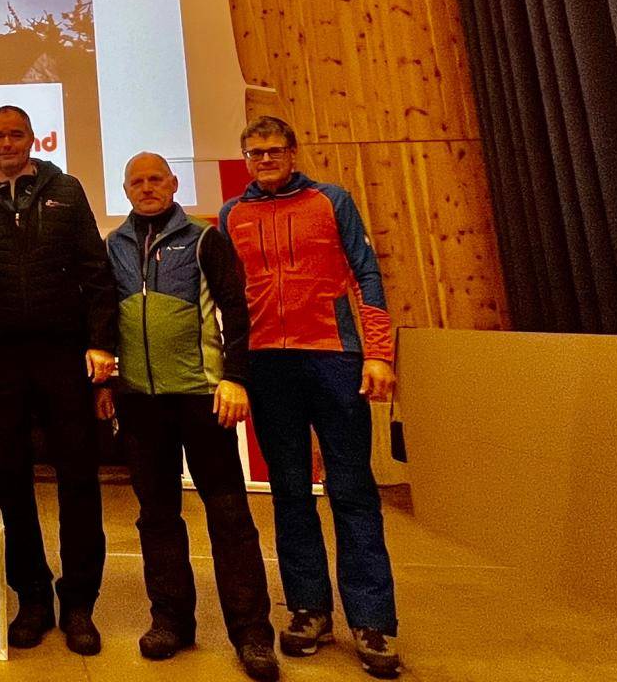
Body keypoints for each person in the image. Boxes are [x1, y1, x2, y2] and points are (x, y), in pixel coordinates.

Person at [219, 116, 402, 680]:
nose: (265, 160)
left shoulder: (333, 201)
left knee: (351, 489)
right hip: (267, 364)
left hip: (334, 356)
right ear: (245, 158)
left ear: (293, 153)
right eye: (255, 153)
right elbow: (227, 295)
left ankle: (372, 622)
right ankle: (308, 611)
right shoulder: (231, 215)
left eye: (274, 151)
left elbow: (367, 274)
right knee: (290, 491)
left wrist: (378, 353)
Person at [0, 105, 116, 657]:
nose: (6, 143)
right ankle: (33, 598)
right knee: (9, 480)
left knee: (78, 477)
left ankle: (79, 603)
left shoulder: (68, 189)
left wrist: (102, 341)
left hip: (63, 354)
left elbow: (95, 269)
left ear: (32, 140)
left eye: (16, 134)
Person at [99, 152, 277, 681]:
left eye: (157, 179)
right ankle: (171, 621)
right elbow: (106, 317)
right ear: (126, 189)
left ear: (174, 183)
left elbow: (237, 309)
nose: (148, 187)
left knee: (229, 518)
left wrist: (237, 378)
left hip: (203, 399)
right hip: (139, 402)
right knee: (156, 517)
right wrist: (107, 385)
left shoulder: (205, 239)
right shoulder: (114, 246)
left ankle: (252, 635)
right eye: (138, 181)